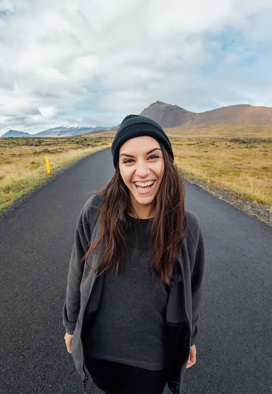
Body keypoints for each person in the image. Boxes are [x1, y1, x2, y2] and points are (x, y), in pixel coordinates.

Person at [62, 114, 205, 394]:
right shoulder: (95, 211)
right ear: (119, 167)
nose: (142, 171)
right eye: (129, 160)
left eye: (152, 157)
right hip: (98, 351)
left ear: (166, 161)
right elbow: (76, 269)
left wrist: (189, 337)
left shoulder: (186, 226)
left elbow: (194, 289)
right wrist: (70, 325)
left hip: (152, 359)